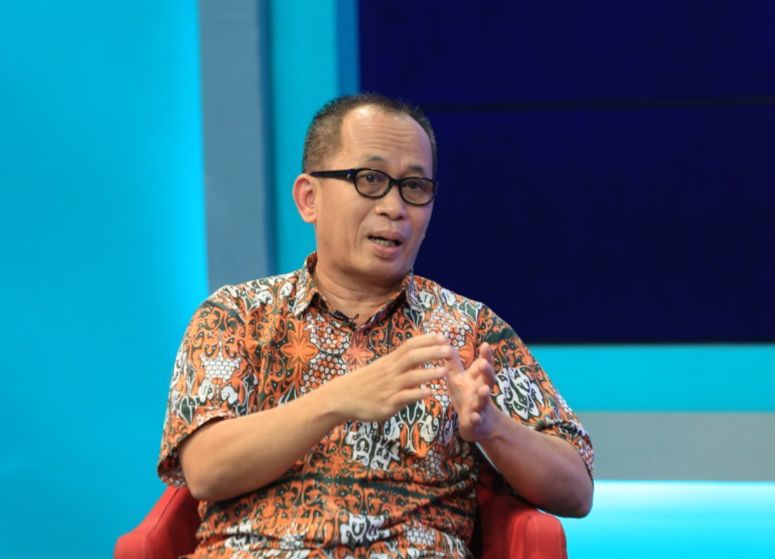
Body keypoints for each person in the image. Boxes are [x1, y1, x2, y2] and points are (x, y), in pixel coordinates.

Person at [158, 93, 594, 558]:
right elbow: (205, 469)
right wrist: (337, 400)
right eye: (370, 179)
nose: (395, 206)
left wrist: (493, 428)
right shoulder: (236, 315)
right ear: (309, 198)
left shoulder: (469, 330)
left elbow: (576, 490)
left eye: (414, 187)